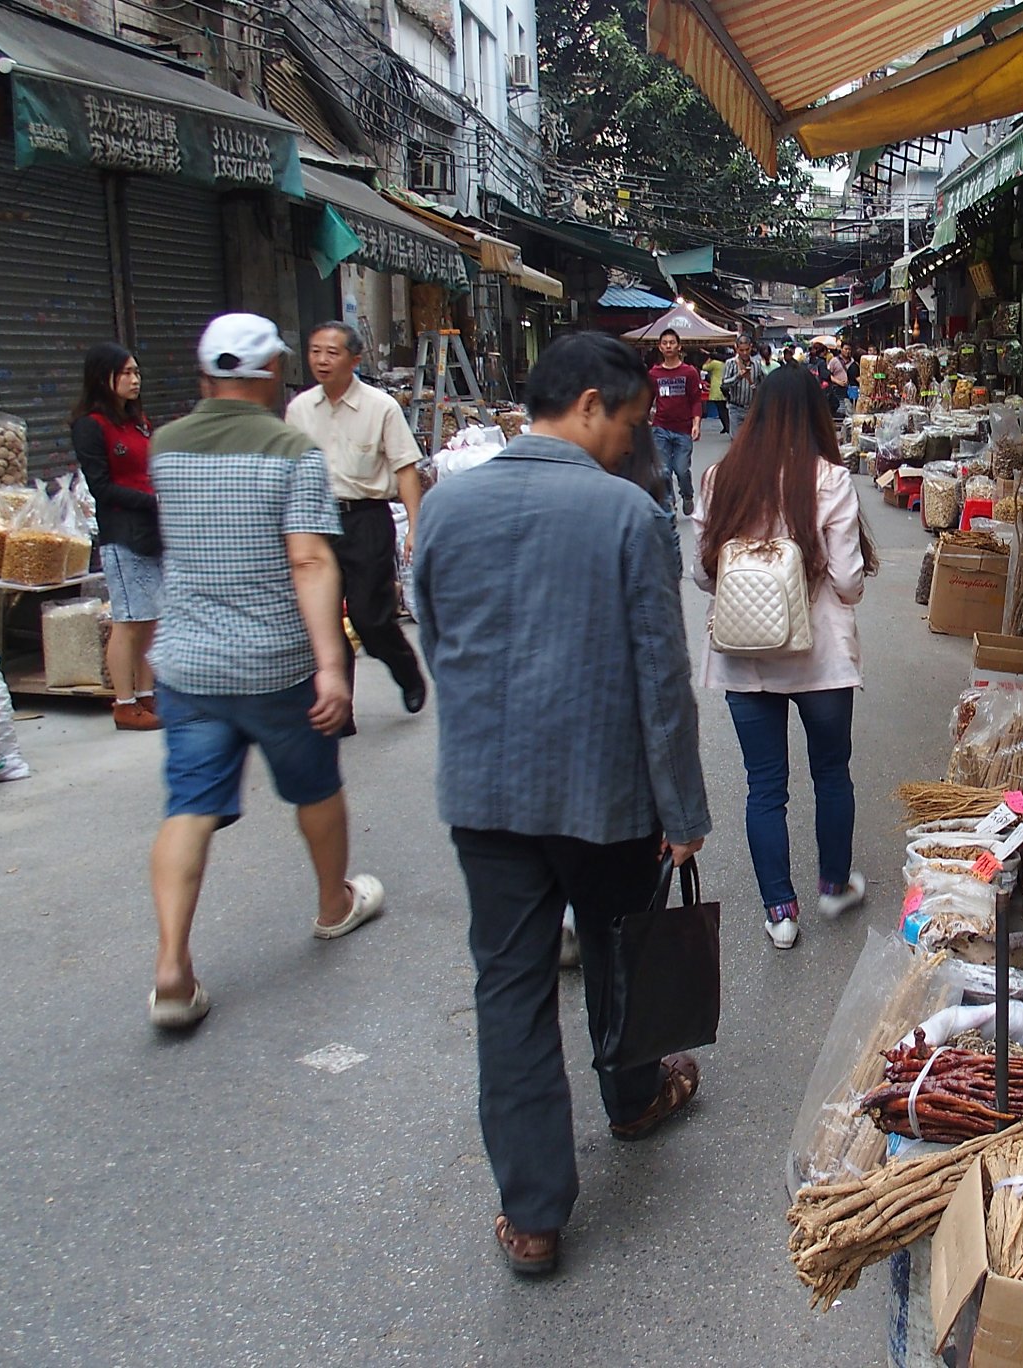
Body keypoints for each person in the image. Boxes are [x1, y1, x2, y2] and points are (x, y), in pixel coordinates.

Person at [414, 331, 711, 1278]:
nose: (631, 445)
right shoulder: (625, 518)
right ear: (588, 404)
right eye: (627, 424)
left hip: (488, 796)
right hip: (606, 795)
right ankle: (632, 1100)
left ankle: (535, 1215)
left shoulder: (448, 508)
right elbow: (662, 681)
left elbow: (437, 634)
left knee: (509, 992)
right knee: (620, 955)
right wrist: (684, 809)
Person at [144, 314, 385, 1031]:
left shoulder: (165, 446)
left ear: (204, 375)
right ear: (271, 370)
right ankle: (332, 904)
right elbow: (309, 560)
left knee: (189, 804)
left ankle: (171, 968)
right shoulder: (290, 449)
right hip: (274, 662)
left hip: (187, 662)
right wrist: (332, 664)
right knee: (314, 787)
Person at [688, 363, 877, 950]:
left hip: (747, 657)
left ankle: (780, 912)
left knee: (764, 786)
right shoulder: (829, 479)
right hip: (820, 658)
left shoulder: (722, 477)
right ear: (815, 415)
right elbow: (847, 581)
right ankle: (833, 884)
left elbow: (701, 573)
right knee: (831, 773)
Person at [284, 322, 428, 721]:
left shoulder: (380, 406)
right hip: (316, 520)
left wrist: (415, 527)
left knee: (370, 617)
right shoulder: (299, 409)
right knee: (323, 618)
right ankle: (338, 707)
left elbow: (405, 469)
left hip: (366, 519)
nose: (322, 360)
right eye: (315, 351)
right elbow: (290, 471)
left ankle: (406, 670)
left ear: (355, 359)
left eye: (332, 352)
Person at [70, 343, 162, 731]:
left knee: (151, 619)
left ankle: (147, 694)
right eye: (126, 373)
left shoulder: (137, 421)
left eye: (137, 372)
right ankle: (124, 703)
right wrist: (150, 499)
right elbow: (102, 488)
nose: (134, 379)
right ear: (103, 377)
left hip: (153, 529)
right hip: (123, 532)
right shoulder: (91, 425)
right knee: (128, 619)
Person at [647, 331, 702, 516]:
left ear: (679, 346)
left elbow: (696, 399)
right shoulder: (654, 374)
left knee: (681, 469)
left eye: (672, 343)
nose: (668, 346)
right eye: (665, 343)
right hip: (660, 428)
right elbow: (648, 399)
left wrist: (696, 423)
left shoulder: (689, 372)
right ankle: (669, 504)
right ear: (660, 347)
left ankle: (687, 494)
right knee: (663, 471)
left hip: (683, 429)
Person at [720, 335, 759, 434]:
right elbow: (724, 384)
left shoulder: (757, 364)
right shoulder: (731, 364)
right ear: (736, 348)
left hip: (752, 409)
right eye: (741, 350)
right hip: (736, 408)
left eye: (747, 349)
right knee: (736, 441)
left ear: (751, 347)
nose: (745, 353)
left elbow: (761, 384)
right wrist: (738, 377)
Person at [699, 348, 729, 435]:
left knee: (720, 409)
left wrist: (709, 358)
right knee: (724, 408)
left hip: (716, 387)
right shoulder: (726, 362)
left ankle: (726, 426)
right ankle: (726, 426)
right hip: (725, 385)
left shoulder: (715, 363)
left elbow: (704, 367)